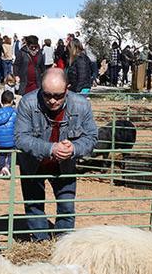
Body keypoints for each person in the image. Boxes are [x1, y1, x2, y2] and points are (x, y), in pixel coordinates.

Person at [14, 68, 98, 241]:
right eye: (47, 95)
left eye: (58, 96)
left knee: (66, 206)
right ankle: (40, 242)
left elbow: (91, 137)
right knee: (34, 205)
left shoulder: (81, 105)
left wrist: (73, 148)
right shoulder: (27, 103)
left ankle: (63, 242)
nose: (52, 100)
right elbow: (20, 138)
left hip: (64, 165)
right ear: (40, 89)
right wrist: (51, 148)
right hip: (33, 163)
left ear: (67, 89)